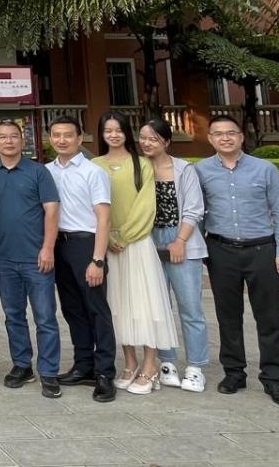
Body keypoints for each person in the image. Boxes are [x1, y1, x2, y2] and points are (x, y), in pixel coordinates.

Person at [195, 114, 279, 407]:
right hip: (221, 250)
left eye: (231, 133)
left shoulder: (265, 169)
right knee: (228, 315)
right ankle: (234, 372)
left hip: (262, 250)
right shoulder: (200, 170)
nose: (225, 138)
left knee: (269, 317)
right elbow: (197, 212)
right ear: (210, 139)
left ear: (240, 136)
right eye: (218, 133)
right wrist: (201, 250)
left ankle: (273, 378)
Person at [92, 110, 177, 396]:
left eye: (118, 130)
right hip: (107, 246)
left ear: (127, 132)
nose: (113, 135)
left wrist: (124, 236)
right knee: (118, 304)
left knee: (145, 303)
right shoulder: (94, 165)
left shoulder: (142, 164)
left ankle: (150, 364)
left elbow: (146, 206)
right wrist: (108, 237)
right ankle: (129, 363)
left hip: (137, 244)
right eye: (108, 130)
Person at [0, 120, 62, 399]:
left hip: (36, 257)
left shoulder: (38, 171)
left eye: (14, 136)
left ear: (22, 140)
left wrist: (48, 248)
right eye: (3, 137)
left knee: (45, 317)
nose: (9, 141)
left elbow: (52, 210)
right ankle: (22, 365)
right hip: (4, 258)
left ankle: (48, 371)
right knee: (14, 316)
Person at [46, 115, 117, 403]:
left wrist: (97, 260)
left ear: (79, 138)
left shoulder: (93, 172)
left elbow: (104, 218)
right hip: (59, 245)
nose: (62, 140)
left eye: (68, 135)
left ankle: (105, 373)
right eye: (56, 135)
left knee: (96, 309)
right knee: (72, 308)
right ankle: (83, 365)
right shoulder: (46, 171)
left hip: (86, 245)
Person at [138, 118, 209, 393]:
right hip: (148, 240)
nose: (147, 143)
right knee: (159, 307)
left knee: (190, 308)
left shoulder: (184, 169)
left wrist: (179, 241)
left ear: (166, 142)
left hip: (182, 240)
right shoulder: (139, 168)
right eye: (143, 137)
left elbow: (194, 209)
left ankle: (195, 366)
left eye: (153, 138)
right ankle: (166, 362)